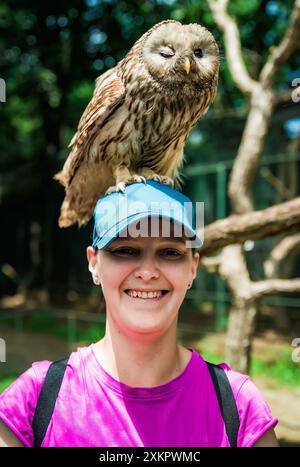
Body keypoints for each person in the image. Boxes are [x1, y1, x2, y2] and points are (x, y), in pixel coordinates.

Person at [0, 180, 279, 447]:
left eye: (170, 252)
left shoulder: (239, 407)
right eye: (126, 250)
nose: (147, 272)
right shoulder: (34, 401)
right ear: (94, 263)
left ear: (193, 267)